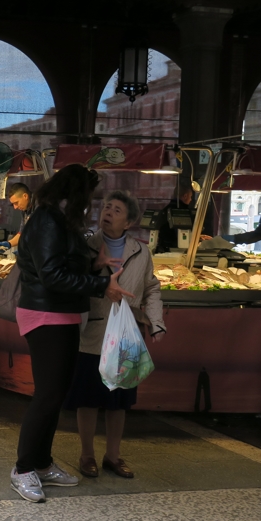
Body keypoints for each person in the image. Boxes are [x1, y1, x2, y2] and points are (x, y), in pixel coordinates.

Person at [10, 164, 134, 503]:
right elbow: (51, 275)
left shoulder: (57, 219)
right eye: (90, 197)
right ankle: (23, 469)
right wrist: (100, 284)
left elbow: (63, 265)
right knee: (47, 395)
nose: (92, 205)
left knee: (56, 394)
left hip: (63, 314)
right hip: (45, 314)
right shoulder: (47, 220)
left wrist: (93, 266)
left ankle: (42, 462)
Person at [64, 191, 166, 480]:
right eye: (106, 206)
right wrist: (93, 268)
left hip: (126, 333)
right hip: (93, 331)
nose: (108, 212)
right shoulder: (86, 245)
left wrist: (156, 322)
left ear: (130, 221)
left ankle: (113, 455)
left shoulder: (140, 251)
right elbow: (72, 280)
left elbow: (151, 288)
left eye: (117, 209)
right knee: (88, 398)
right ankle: (86, 455)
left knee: (119, 398)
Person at [155, 181, 214, 253]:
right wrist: (197, 237)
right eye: (190, 197)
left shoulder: (166, 209)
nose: (191, 199)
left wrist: (198, 236)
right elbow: (180, 234)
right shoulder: (183, 211)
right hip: (176, 250)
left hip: (163, 249)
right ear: (185, 196)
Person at [0, 183, 31, 254]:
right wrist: (9, 244)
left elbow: (42, 236)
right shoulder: (24, 211)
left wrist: (29, 251)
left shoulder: (41, 208)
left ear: (25, 196)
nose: (15, 207)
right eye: (13, 204)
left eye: (16, 203)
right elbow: (22, 233)